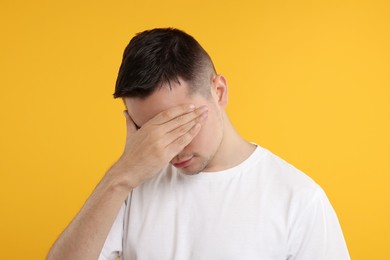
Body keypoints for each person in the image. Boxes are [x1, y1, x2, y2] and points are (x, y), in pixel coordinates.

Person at [47, 28, 350, 260]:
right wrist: (121, 176)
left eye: (179, 123)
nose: (169, 148)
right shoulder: (130, 186)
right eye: (147, 132)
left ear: (217, 91)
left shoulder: (299, 200)